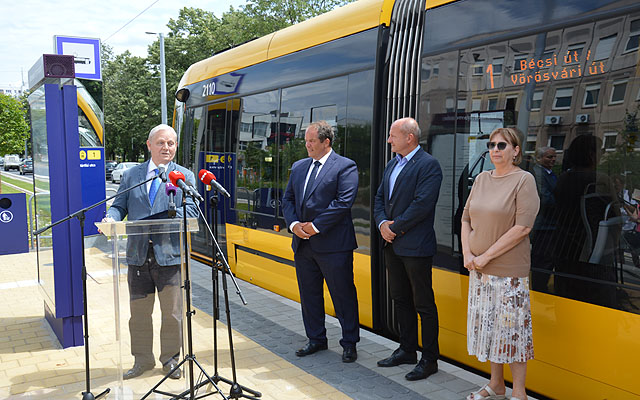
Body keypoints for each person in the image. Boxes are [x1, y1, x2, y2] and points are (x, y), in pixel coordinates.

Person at [102, 124, 198, 380]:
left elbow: (192, 212)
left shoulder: (184, 176)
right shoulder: (133, 175)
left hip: (170, 257)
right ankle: (142, 360)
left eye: (171, 143)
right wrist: (110, 217)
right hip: (138, 256)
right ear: (149, 145)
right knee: (139, 316)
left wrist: (164, 216)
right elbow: (119, 205)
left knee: (173, 315)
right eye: (161, 143)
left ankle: (170, 360)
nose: (166, 148)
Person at [461, 127, 539, 400]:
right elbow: (466, 218)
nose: (495, 149)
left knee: (513, 333)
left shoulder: (524, 180)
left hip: (509, 274)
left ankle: (519, 393)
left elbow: (522, 228)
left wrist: (485, 256)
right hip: (479, 271)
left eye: (502, 145)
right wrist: (467, 253)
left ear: (516, 151)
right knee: (491, 330)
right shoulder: (482, 178)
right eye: (492, 145)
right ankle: (496, 384)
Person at [281, 120, 360, 363]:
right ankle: (315, 338)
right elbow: (288, 199)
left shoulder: (345, 167)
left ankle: (349, 343)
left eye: (312, 141)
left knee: (343, 295)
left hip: (334, 246)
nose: (307, 145)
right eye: (306, 140)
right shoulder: (299, 166)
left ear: (326, 142)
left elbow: (342, 203)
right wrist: (295, 226)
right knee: (309, 295)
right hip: (303, 245)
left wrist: (314, 227)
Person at [374, 117, 443, 381]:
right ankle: (406, 349)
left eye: (392, 135)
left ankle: (429, 359)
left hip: (415, 246)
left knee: (423, 304)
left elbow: (422, 205)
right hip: (392, 244)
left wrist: (394, 228)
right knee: (400, 299)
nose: (389, 140)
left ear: (409, 138)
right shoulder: (393, 163)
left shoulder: (429, 165)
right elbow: (380, 197)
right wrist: (382, 223)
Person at [530, 147, 557, 292]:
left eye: (554, 157)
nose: (553, 160)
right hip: (543, 224)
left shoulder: (550, 173)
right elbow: (545, 198)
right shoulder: (538, 173)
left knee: (547, 259)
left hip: (550, 224)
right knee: (542, 259)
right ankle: (539, 289)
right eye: (549, 157)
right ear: (539, 158)